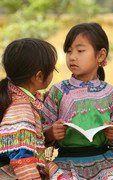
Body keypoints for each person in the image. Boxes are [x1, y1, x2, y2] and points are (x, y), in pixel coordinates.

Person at [42, 22, 113, 179]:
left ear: (100, 55)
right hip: (65, 163)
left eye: (80, 51)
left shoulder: (110, 93)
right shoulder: (57, 91)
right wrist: (51, 133)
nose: (72, 57)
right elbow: (41, 132)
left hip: (105, 162)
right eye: (69, 51)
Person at [0, 38, 62, 179]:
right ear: (39, 76)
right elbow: (22, 161)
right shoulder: (21, 111)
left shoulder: (15, 94)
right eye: (53, 69)